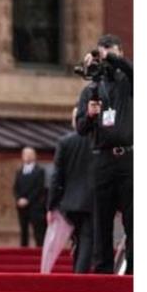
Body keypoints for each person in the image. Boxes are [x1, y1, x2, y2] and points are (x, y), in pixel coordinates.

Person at [75, 34, 133, 274]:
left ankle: (134, 272)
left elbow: (131, 69)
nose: (105, 57)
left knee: (134, 218)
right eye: (102, 51)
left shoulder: (128, 82)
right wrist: (89, 114)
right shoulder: (91, 90)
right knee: (102, 219)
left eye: (110, 50)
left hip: (129, 159)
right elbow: (81, 129)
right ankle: (103, 272)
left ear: (120, 51)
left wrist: (110, 56)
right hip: (102, 159)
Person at [48, 107, 95, 274]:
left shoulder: (65, 142)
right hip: (92, 200)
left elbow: (57, 176)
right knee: (87, 239)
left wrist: (52, 205)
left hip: (69, 202)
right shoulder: (97, 142)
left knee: (77, 239)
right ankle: (79, 277)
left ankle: (77, 273)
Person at [13, 147, 47, 247]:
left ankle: (39, 251)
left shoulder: (39, 171)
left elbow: (39, 188)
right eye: (24, 154)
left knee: (38, 230)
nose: (26, 156)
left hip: (35, 205)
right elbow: (16, 187)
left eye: (29, 154)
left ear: (34, 156)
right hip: (21, 206)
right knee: (23, 230)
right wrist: (18, 199)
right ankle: (23, 250)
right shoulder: (19, 171)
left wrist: (28, 200)